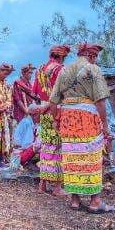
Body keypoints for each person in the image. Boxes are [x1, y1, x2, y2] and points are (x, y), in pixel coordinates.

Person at [50, 43, 114, 213]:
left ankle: (75, 200)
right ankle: (95, 201)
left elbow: (53, 101)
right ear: (91, 55)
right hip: (87, 119)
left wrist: (56, 120)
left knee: (72, 157)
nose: (96, 59)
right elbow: (100, 100)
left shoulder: (64, 71)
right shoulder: (93, 70)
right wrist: (105, 126)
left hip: (68, 119)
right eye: (96, 56)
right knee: (91, 157)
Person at [34, 45, 70, 195]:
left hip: (44, 112)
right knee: (57, 148)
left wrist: (43, 106)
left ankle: (43, 184)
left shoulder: (40, 69)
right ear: (61, 56)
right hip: (56, 111)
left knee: (46, 146)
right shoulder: (59, 69)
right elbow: (62, 93)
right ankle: (56, 186)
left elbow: (35, 91)